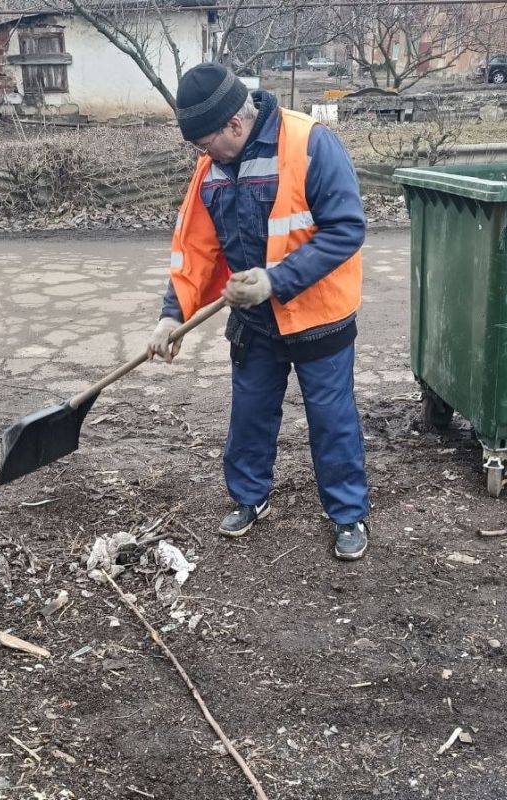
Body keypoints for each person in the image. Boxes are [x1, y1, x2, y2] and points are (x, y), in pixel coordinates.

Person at [146, 63, 370, 560]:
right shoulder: (211, 169)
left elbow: (346, 229)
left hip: (318, 318)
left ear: (234, 124)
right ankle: (249, 498)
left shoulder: (310, 144)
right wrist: (171, 315)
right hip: (255, 322)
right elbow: (196, 250)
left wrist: (275, 280)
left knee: (332, 421)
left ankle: (348, 514)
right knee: (248, 416)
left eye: (205, 143)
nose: (202, 154)